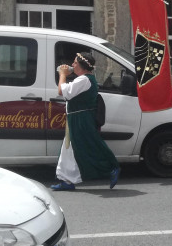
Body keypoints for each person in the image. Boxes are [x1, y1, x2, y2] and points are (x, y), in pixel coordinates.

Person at [51, 52, 120, 191]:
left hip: (81, 119)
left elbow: (61, 91)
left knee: (88, 147)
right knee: (68, 149)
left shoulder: (84, 80)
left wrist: (62, 74)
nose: (72, 65)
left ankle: (112, 168)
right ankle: (67, 180)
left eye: (75, 63)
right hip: (76, 117)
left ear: (82, 66)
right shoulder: (83, 79)